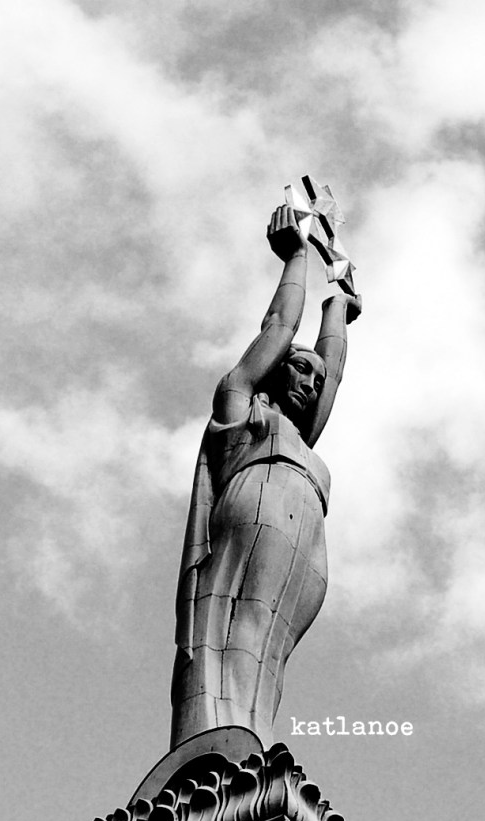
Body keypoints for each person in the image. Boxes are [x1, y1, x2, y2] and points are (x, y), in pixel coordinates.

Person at [170, 204, 361, 750]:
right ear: (273, 371)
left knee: (266, 659)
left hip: (305, 545)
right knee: (234, 640)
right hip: (256, 523)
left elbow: (334, 372)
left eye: (314, 377)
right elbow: (279, 327)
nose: (311, 382)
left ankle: (252, 737)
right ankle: (215, 744)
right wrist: (298, 257)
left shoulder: (301, 438)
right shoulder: (242, 411)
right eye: (299, 368)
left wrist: (339, 306)